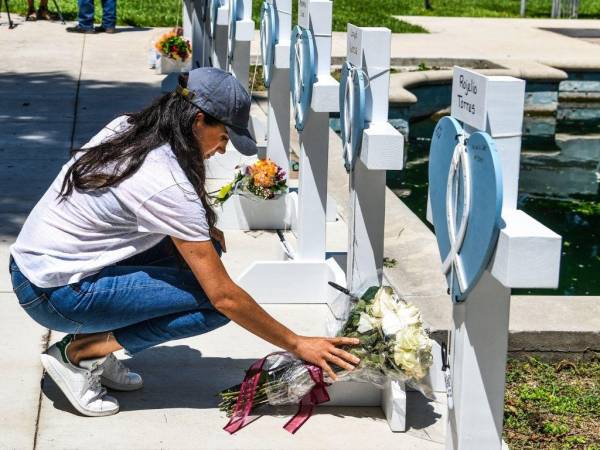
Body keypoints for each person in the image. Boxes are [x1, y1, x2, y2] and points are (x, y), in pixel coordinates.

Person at [8, 67, 359, 417]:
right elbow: (225, 297)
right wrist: (298, 343)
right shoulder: (166, 184)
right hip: (55, 294)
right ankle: (81, 354)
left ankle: (97, 343)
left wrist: (202, 228)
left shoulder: (130, 127)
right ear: (198, 121)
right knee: (212, 305)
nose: (222, 151)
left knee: (207, 253)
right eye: (223, 137)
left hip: (37, 267)